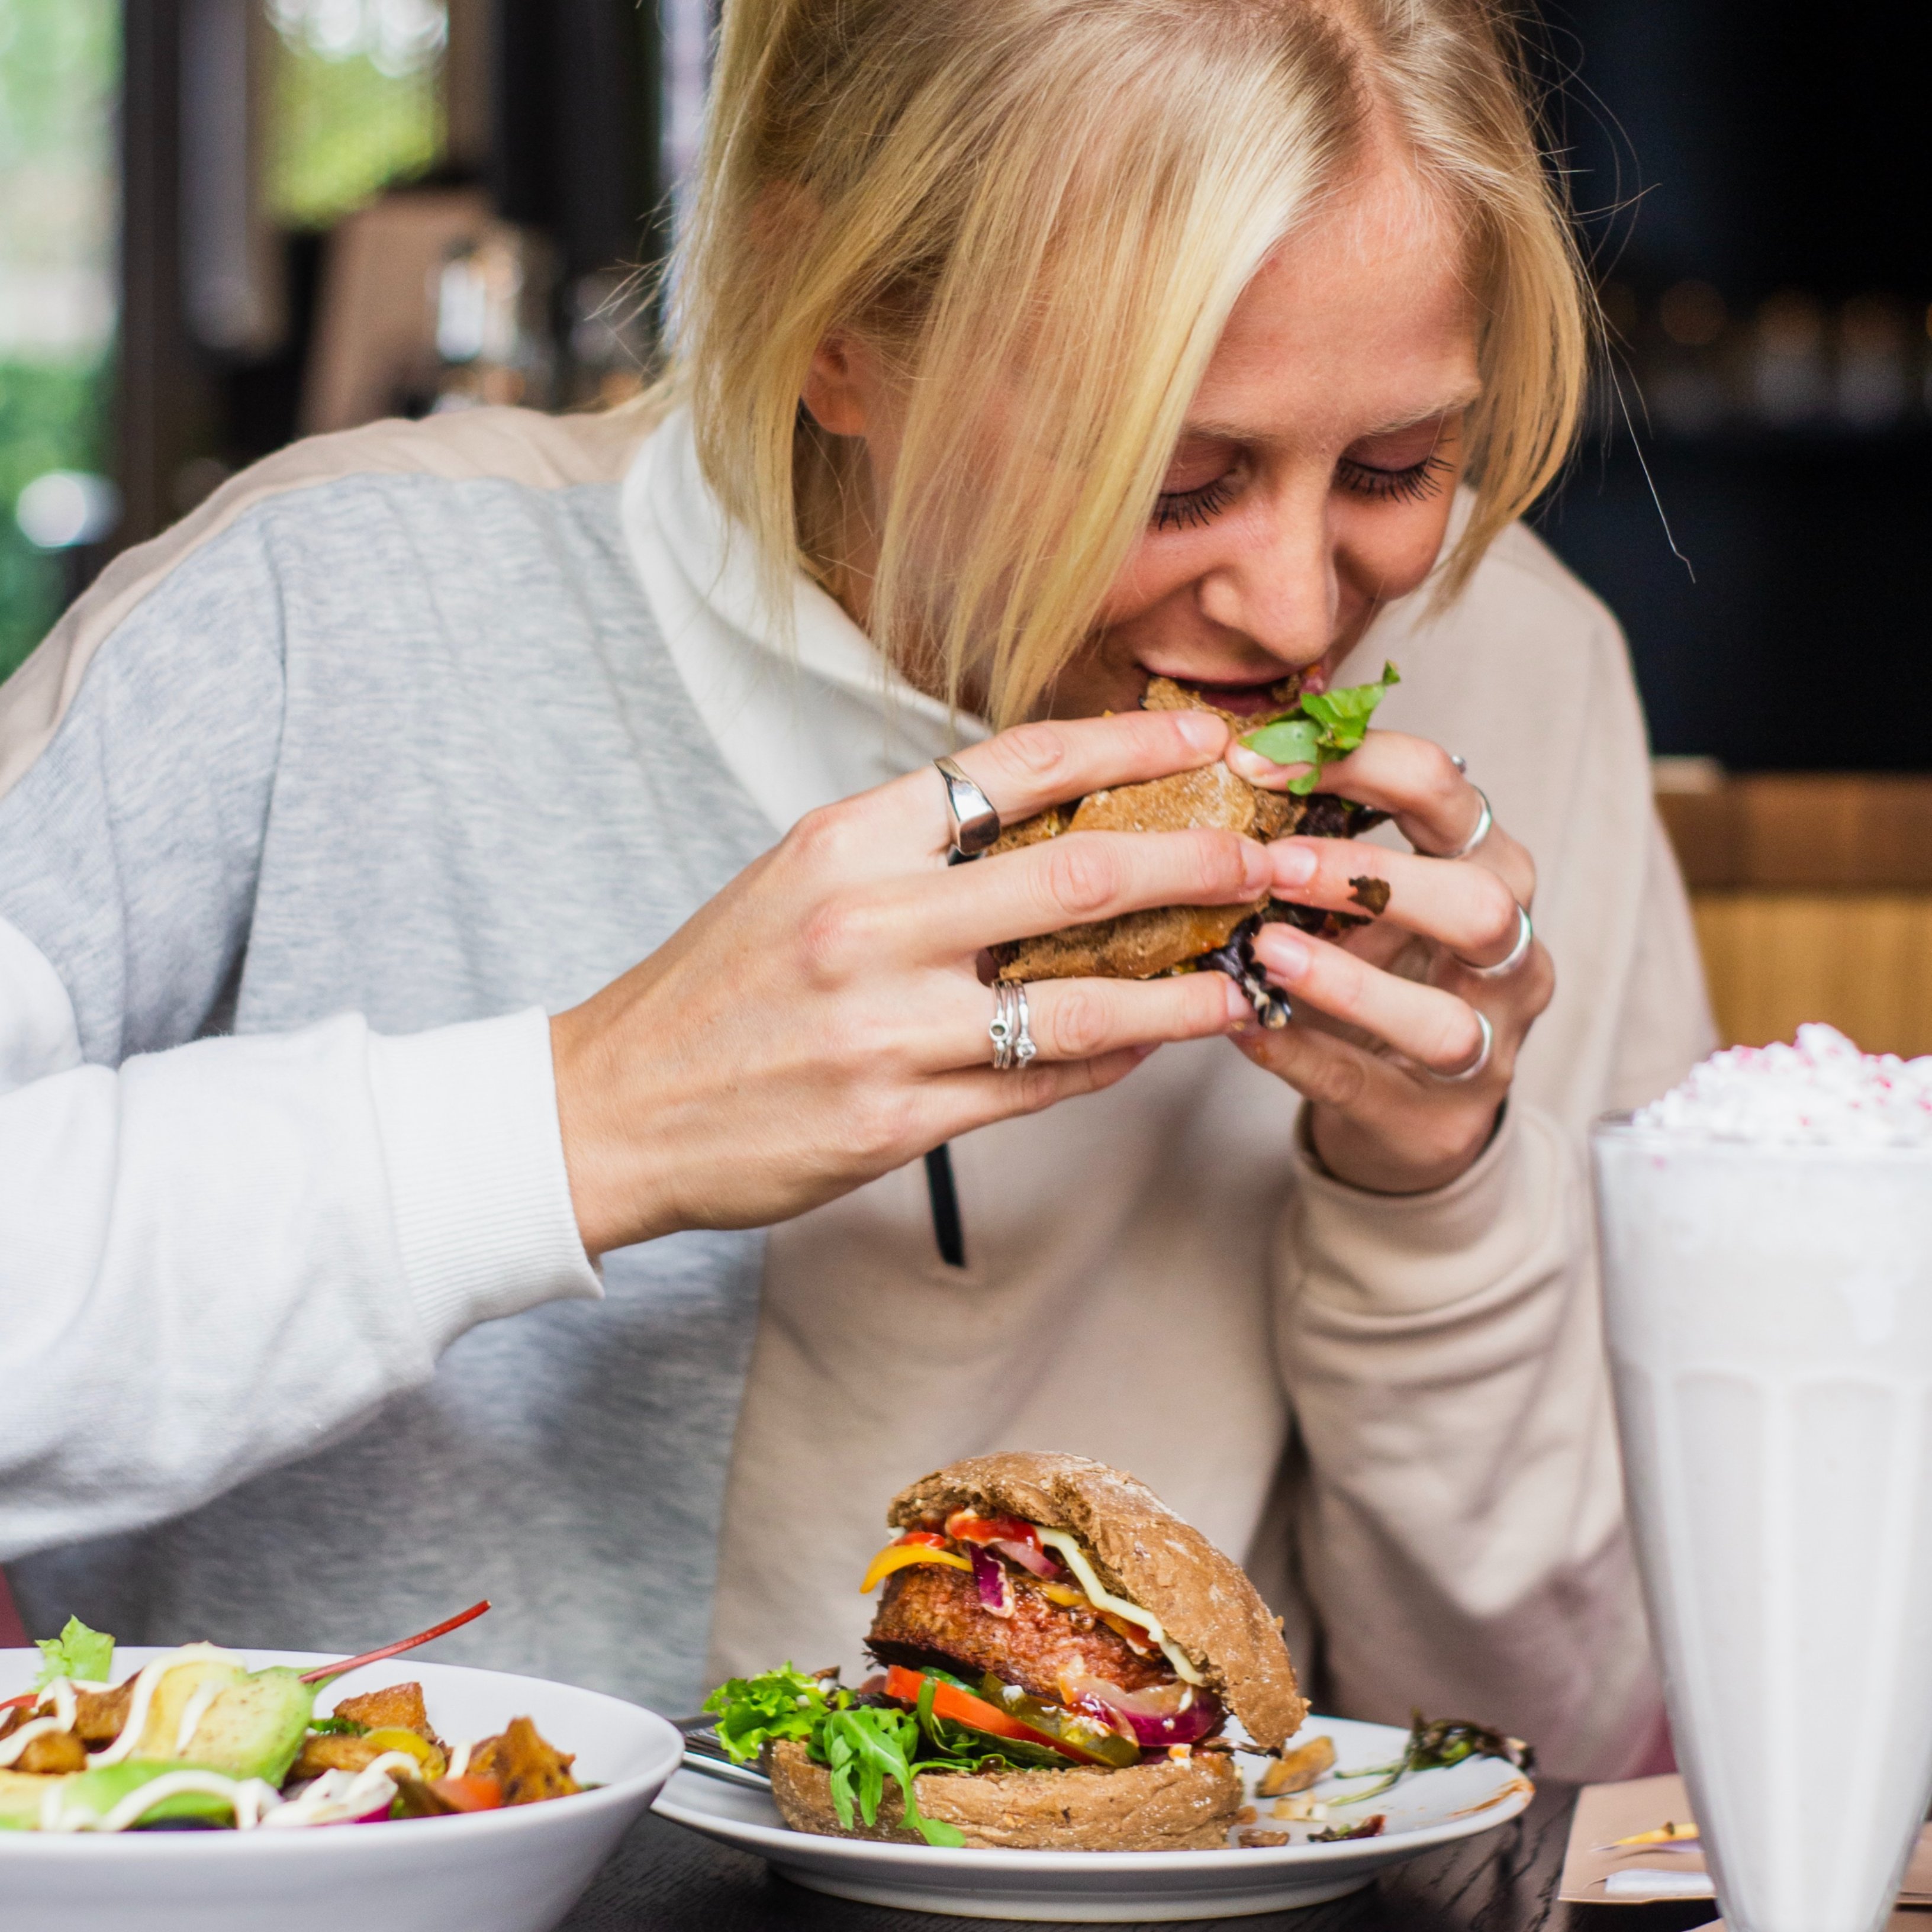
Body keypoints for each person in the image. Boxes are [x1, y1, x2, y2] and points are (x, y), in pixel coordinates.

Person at [0, 0, 1708, 1776]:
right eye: (1173, 476)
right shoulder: (325, 607)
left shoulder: (1522, 682)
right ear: (826, 321)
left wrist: (1432, 1201)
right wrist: (583, 1117)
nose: (1297, 609)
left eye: (1395, 468)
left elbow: (1565, 1751)